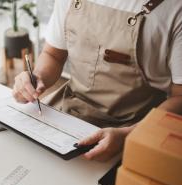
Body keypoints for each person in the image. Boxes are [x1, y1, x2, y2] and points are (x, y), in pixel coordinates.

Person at [13, 0, 182, 161]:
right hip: (68, 112)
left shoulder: (175, 9)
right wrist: (36, 78)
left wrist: (129, 135)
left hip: (138, 127)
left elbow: (179, 97)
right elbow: (53, 55)